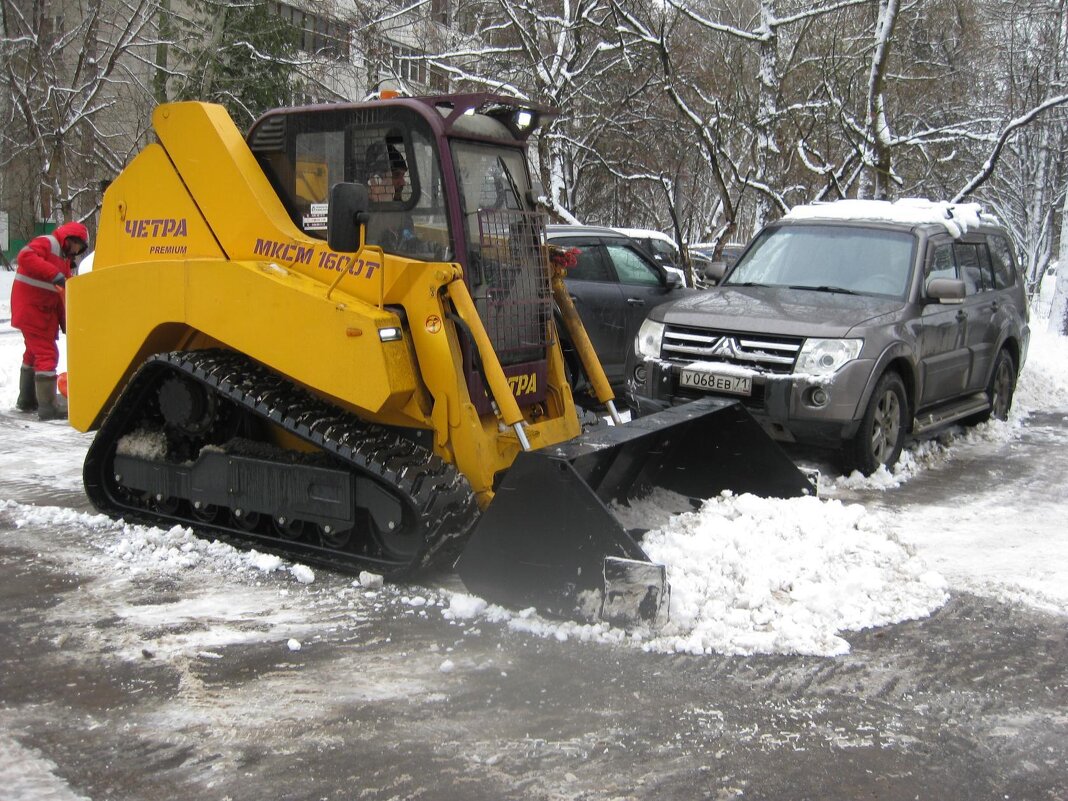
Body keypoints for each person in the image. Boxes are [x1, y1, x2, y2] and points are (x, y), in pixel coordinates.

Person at [12, 220, 88, 420]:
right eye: (78, 246)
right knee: (47, 354)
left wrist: (67, 324)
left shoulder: (64, 262)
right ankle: (48, 408)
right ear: (70, 239)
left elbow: (62, 297)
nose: (77, 251)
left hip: (40, 312)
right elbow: (24, 256)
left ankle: (27, 400)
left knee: (32, 353)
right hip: (32, 309)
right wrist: (54, 274)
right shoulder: (48, 242)